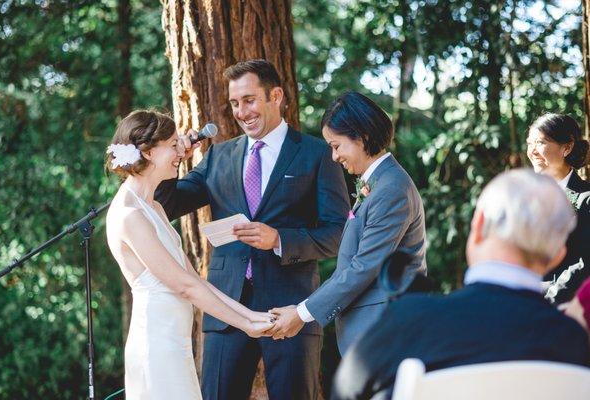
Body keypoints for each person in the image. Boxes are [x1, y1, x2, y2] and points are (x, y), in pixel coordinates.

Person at [155, 59, 350, 400]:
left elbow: (338, 234)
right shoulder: (218, 157)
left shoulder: (317, 154)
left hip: (289, 311)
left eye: (249, 100)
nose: (242, 112)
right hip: (225, 308)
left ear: (276, 96)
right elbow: (165, 205)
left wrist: (280, 239)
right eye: (234, 103)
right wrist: (173, 161)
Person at [332, 169, 590, 400]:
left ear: (477, 226)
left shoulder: (409, 320)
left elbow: (344, 393)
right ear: (558, 254)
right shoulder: (574, 343)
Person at [105, 110, 273, 399]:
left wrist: (253, 316)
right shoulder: (129, 214)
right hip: (155, 344)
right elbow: (185, 287)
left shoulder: (154, 208)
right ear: (147, 152)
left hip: (174, 341)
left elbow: (195, 280)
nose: (179, 151)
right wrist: (246, 326)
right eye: (172, 144)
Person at [269, 91, 427, 355]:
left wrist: (302, 313)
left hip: (386, 333)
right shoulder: (379, 184)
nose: (334, 157)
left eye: (336, 145)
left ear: (362, 137)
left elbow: (363, 267)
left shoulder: (391, 190)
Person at [526, 113, 590, 304]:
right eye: (530, 143)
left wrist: (550, 301)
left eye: (540, 143)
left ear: (567, 147)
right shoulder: (525, 197)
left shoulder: (586, 199)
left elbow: (585, 263)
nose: (533, 151)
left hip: (566, 305)